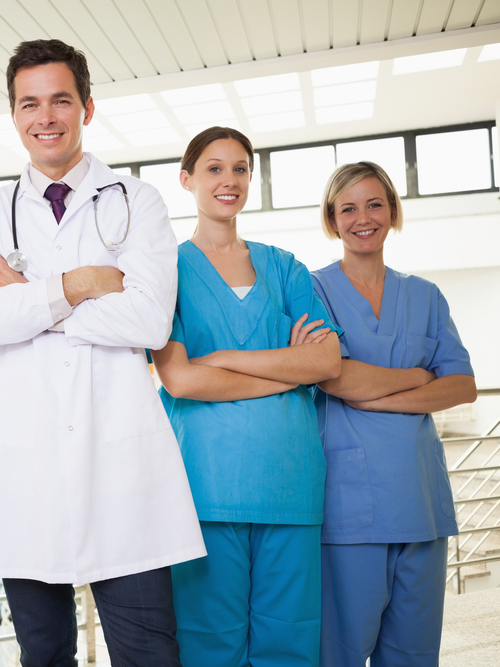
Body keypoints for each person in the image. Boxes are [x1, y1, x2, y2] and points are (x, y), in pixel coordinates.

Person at [0, 39, 205, 667]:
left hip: (121, 466)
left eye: (60, 100)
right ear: (13, 115)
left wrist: (27, 300)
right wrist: (80, 284)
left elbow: (147, 320)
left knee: (150, 654)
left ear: (87, 107)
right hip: (24, 467)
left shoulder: (137, 202)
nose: (46, 117)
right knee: (43, 655)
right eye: (29, 103)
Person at [151, 126, 343, 667]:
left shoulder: (285, 268)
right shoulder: (167, 271)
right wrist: (289, 369)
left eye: (240, 169)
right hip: (206, 490)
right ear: (186, 180)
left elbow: (326, 361)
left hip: (291, 484)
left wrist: (223, 359)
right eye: (214, 168)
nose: (228, 180)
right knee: (210, 642)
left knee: (291, 640)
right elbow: (181, 380)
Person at [312, 162, 477, 667]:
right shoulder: (312, 290)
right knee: (340, 651)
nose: (364, 218)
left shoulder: (425, 295)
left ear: (393, 211)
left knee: (413, 654)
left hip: (420, 503)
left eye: (375, 203)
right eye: (349, 208)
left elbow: (464, 386)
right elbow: (333, 377)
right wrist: (417, 376)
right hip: (348, 510)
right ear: (333, 219)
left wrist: (372, 393)